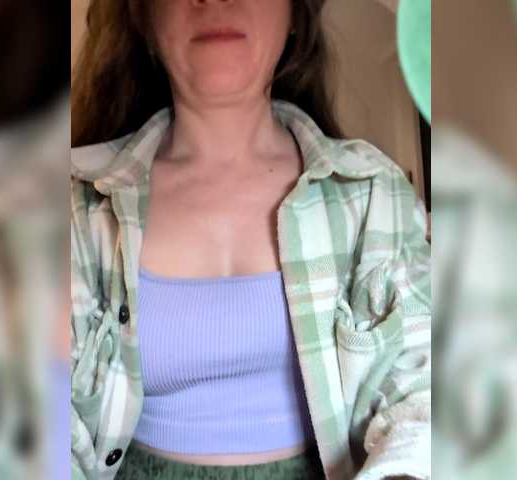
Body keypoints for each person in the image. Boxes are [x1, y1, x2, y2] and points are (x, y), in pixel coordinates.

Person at [70, 1, 431, 479]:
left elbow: (423, 387)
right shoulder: (76, 208)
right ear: (145, 21)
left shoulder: (373, 194)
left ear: (295, 16)